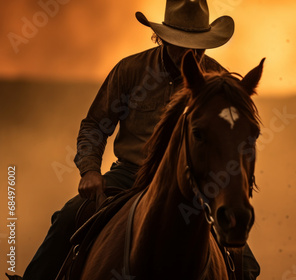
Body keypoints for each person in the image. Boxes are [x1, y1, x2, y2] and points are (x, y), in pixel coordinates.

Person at [22, 0, 260, 279]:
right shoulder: (130, 70)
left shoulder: (215, 80)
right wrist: (90, 170)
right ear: (162, 38)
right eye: (181, 43)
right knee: (66, 221)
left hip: (192, 182)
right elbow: (95, 125)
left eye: (198, 44)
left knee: (246, 266)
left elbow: (228, 136)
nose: (191, 52)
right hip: (129, 175)